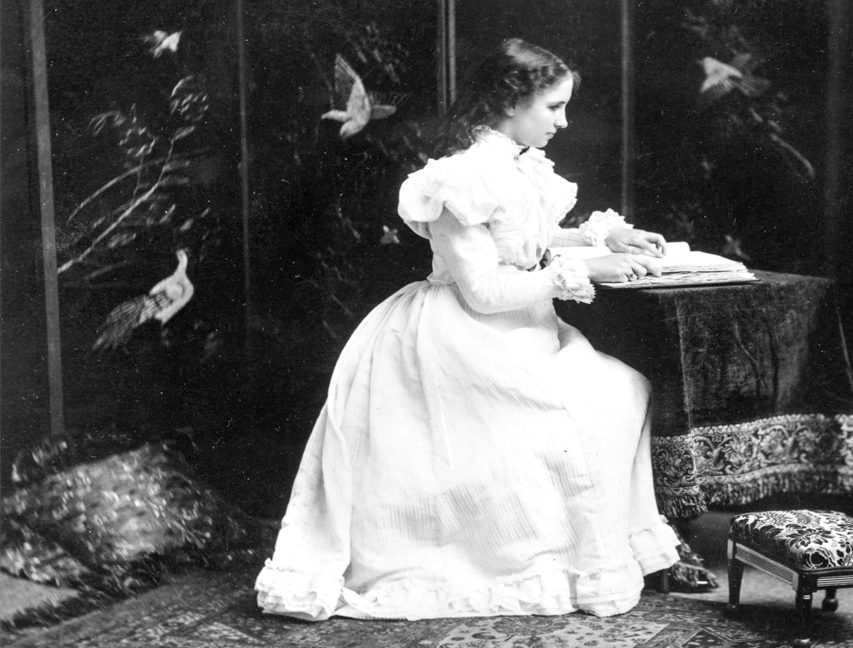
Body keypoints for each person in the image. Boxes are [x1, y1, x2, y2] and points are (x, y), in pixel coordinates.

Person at [255, 38, 682, 621]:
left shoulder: (517, 166)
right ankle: (525, 560)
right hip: (459, 334)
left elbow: (522, 241)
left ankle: (588, 552)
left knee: (623, 387)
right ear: (511, 102)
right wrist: (582, 270)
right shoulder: (460, 179)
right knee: (576, 407)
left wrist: (602, 238)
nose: (564, 121)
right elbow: (482, 289)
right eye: (553, 107)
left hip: (520, 327)